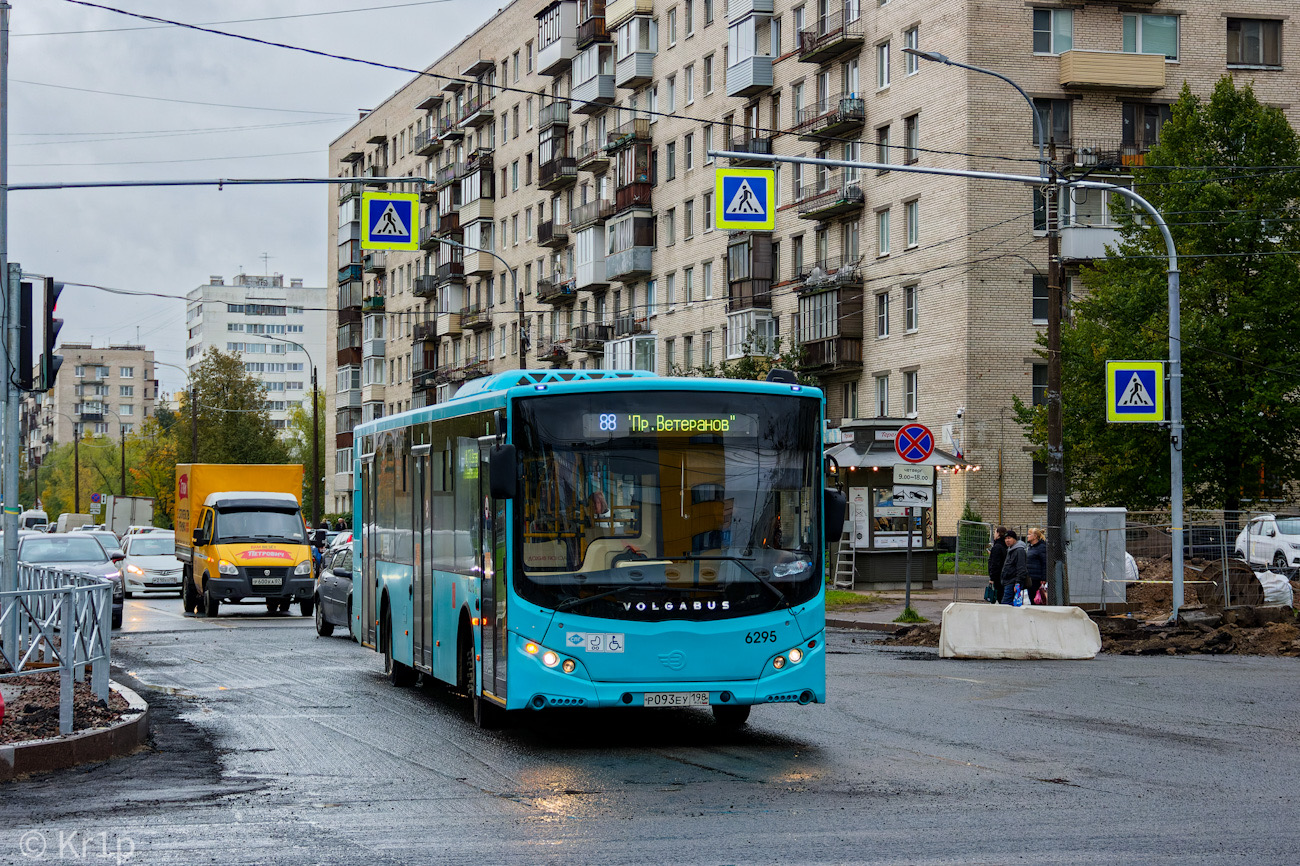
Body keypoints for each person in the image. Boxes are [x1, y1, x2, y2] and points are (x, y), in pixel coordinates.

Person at [1000, 529, 1029, 605]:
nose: (1007, 540)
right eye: (1006, 539)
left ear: (1014, 539)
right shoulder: (1010, 550)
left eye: (1009, 538)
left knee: (1006, 604)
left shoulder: (1019, 550)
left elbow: (1021, 568)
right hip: (1007, 582)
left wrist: (1017, 583)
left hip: (1012, 582)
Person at [1025, 527, 1047, 603]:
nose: (1027, 536)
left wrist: (1044, 578)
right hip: (1030, 577)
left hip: (1037, 578)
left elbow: (1044, 563)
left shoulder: (1041, 547)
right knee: (1032, 598)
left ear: (1035, 536)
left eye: (1029, 534)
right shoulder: (1030, 547)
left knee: (1037, 598)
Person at [987, 526, 1008, 603]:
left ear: (998, 534)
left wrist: (992, 578)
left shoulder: (997, 547)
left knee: (998, 595)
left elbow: (995, 563)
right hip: (1003, 575)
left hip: (998, 577)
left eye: (995, 532)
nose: (994, 534)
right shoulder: (1004, 546)